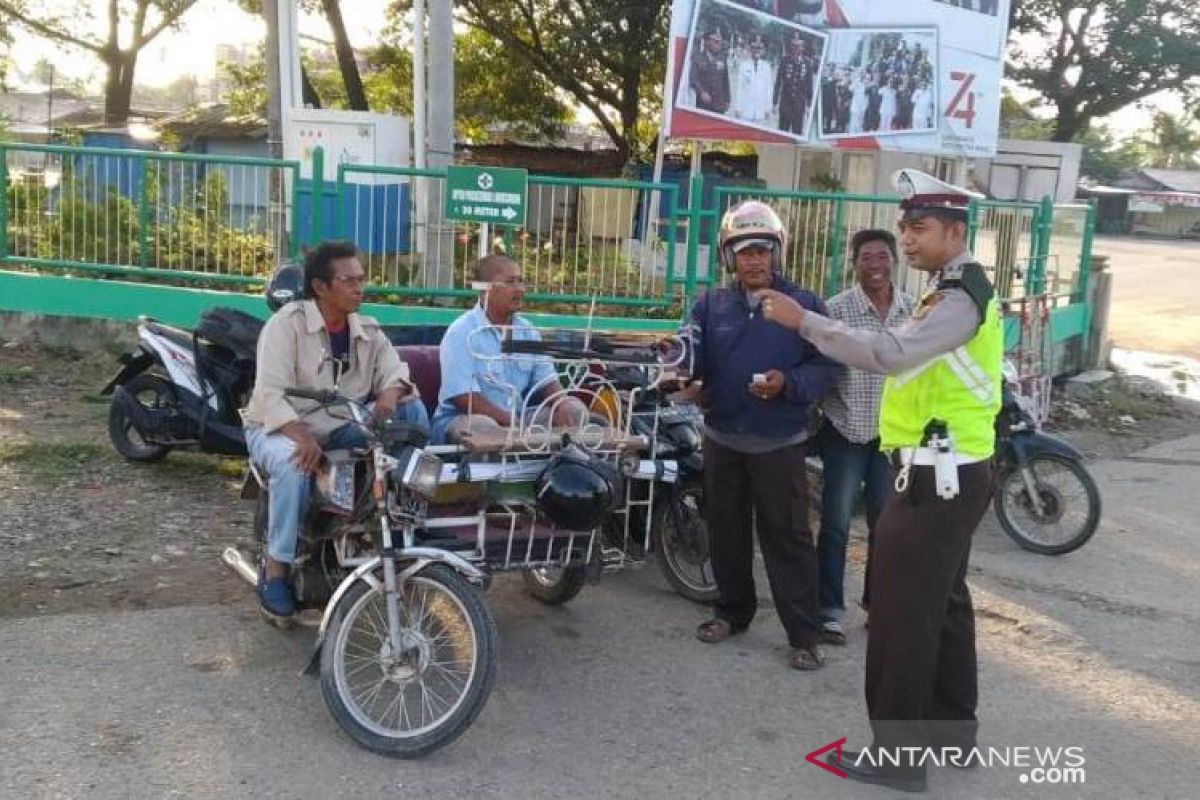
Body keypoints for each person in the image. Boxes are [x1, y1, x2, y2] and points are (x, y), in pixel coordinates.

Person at [756, 171, 1002, 793]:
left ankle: (898, 760)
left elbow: (890, 354)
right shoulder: (950, 290)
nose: (906, 240)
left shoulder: (959, 298)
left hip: (936, 476)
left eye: (919, 229)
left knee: (900, 616)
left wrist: (805, 321)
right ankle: (951, 738)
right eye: (904, 228)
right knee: (943, 604)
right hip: (949, 469)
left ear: (955, 230)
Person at [242, 241, 430, 626]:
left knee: (414, 413)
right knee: (294, 467)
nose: (360, 288)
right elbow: (270, 395)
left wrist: (389, 399)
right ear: (321, 287)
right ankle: (276, 571)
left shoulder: (368, 330)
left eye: (361, 279)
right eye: (349, 281)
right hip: (280, 427)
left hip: (343, 424)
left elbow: (396, 374)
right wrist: (302, 437)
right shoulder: (285, 326)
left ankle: (400, 533)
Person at [684, 201, 836, 671]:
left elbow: (827, 363)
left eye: (761, 251)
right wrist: (684, 377)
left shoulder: (804, 304)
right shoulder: (711, 304)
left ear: (777, 252)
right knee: (726, 534)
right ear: (730, 257)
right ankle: (732, 612)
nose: (753, 261)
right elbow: (692, 355)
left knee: (788, 538)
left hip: (779, 444)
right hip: (723, 438)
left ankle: (803, 634)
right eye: (743, 252)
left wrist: (788, 384)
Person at [815, 230, 914, 645]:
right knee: (836, 524)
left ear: (894, 260)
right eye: (866, 256)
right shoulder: (836, 310)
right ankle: (828, 611)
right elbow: (820, 368)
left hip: (890, 438)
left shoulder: (914, 311)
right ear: (854, 263)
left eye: (882, 255)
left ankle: (879, 605)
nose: (875, 263)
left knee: (885, 525)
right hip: (845, 430)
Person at [431, 255, 588, 445]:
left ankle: (561, 469)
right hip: (465, 419)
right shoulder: (461, 332)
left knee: (574, 411)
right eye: (510, 282)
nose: (520, 289)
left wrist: (561, 403)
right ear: (485, 289)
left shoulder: (527, 331)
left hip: (517, 420)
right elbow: (464, 398)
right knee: (483, 426)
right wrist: (511, 423)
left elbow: (547, 380)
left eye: (521, 281)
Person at [774, 34, 814, 135]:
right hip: (785, 103)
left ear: (803, 47)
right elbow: (778, 82)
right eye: (794, 46)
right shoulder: (785, 61)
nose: (796, 49)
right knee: (782, 132)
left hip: (799, 105)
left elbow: (809, 85)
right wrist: (774, 102)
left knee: (797, 132)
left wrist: (809, 105)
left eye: (798, 46)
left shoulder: (808, 63)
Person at [732, 35, 776, 124]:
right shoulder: (744, 66)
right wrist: (738, 107)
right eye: (754, 48)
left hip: (760, 109)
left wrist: (768, 108)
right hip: (746, 108)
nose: (757, 51)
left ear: (763, 50)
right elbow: (740, 88)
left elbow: (768, 89)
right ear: (751, 49)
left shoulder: (766, 67)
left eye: (759, 48)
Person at [689, 28, 731, 114]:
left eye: (719, 41)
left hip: (719, 104)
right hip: (703, 104)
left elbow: (726, 80)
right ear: (706, 42)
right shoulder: (698, 58)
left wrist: (728, 100)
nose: (718, 44)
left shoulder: (722, 58)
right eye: (715, 41)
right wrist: (701, 92)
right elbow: (693, 78)